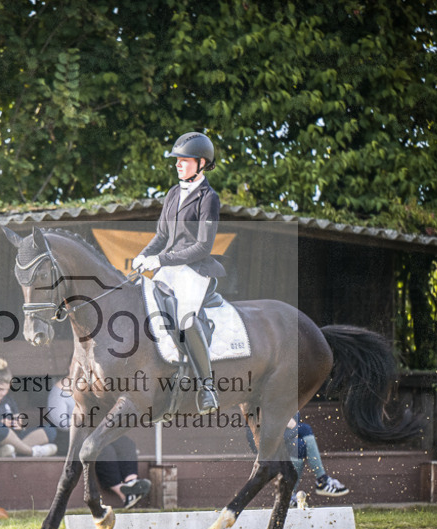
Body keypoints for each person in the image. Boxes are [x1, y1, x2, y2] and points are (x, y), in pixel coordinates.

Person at [131, 131, 225, 415]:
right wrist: (144, 255)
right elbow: (161, 235)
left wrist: (160, 259)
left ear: (201, 162)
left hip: (194, 269)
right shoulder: (173, 193)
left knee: (183, 317)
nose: (178, 164)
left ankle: (207, 387)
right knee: (146, 309)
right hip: (169, 266)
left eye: (184, 160)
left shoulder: (209, 199)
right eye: (177, 160)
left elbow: (202, 247)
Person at [47, 372, 152, 508]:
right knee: (103, 449)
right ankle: (123, 493)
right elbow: (59, 421)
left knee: (125, 443)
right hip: (71, 437)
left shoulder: (91, 389)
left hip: (94, 431)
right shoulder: (59, 391)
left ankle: (132, 483)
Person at [246, 412, 350, 506]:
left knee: (299, 447)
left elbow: (294, 418)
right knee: (305, 429)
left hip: (278, 432)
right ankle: (321, 480)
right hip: (261, 437)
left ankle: (289, 494)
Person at [0, 359, 59, 458]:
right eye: (0, 389)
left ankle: (11, 451)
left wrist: (15, 424)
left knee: (50, 430)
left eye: (6, 389)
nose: (3, 393)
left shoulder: (8, 400)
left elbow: (20, 425)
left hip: (14, 438)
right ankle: (32, 452)